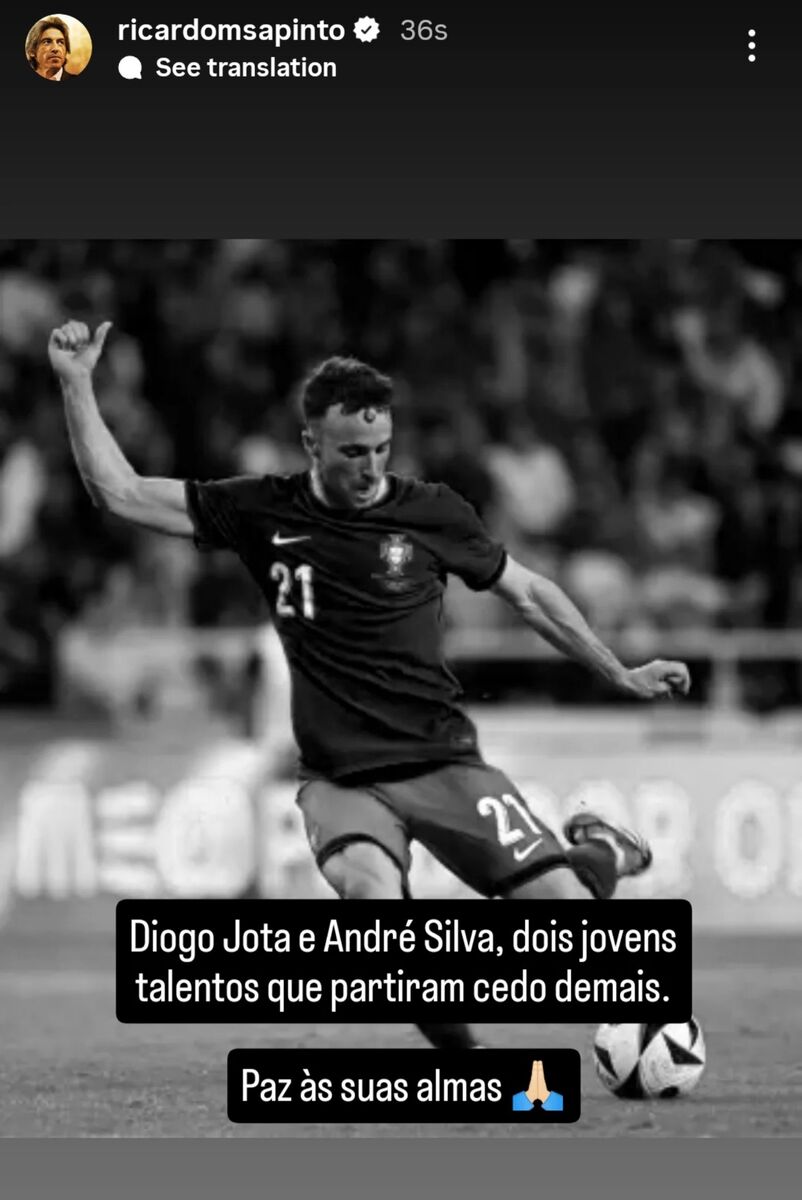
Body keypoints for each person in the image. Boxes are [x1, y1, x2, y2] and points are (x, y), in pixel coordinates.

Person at [50, 321, 691, 1051]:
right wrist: (76, 383)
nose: (370, 467)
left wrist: (619, 671)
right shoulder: (262, 510)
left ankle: (600, 851)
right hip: (341, 780)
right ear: (311, 443)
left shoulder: (432, 512)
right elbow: (121, 492)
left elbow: (531, 594)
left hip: (443, 762)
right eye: (352, 451)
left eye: (381, 448)